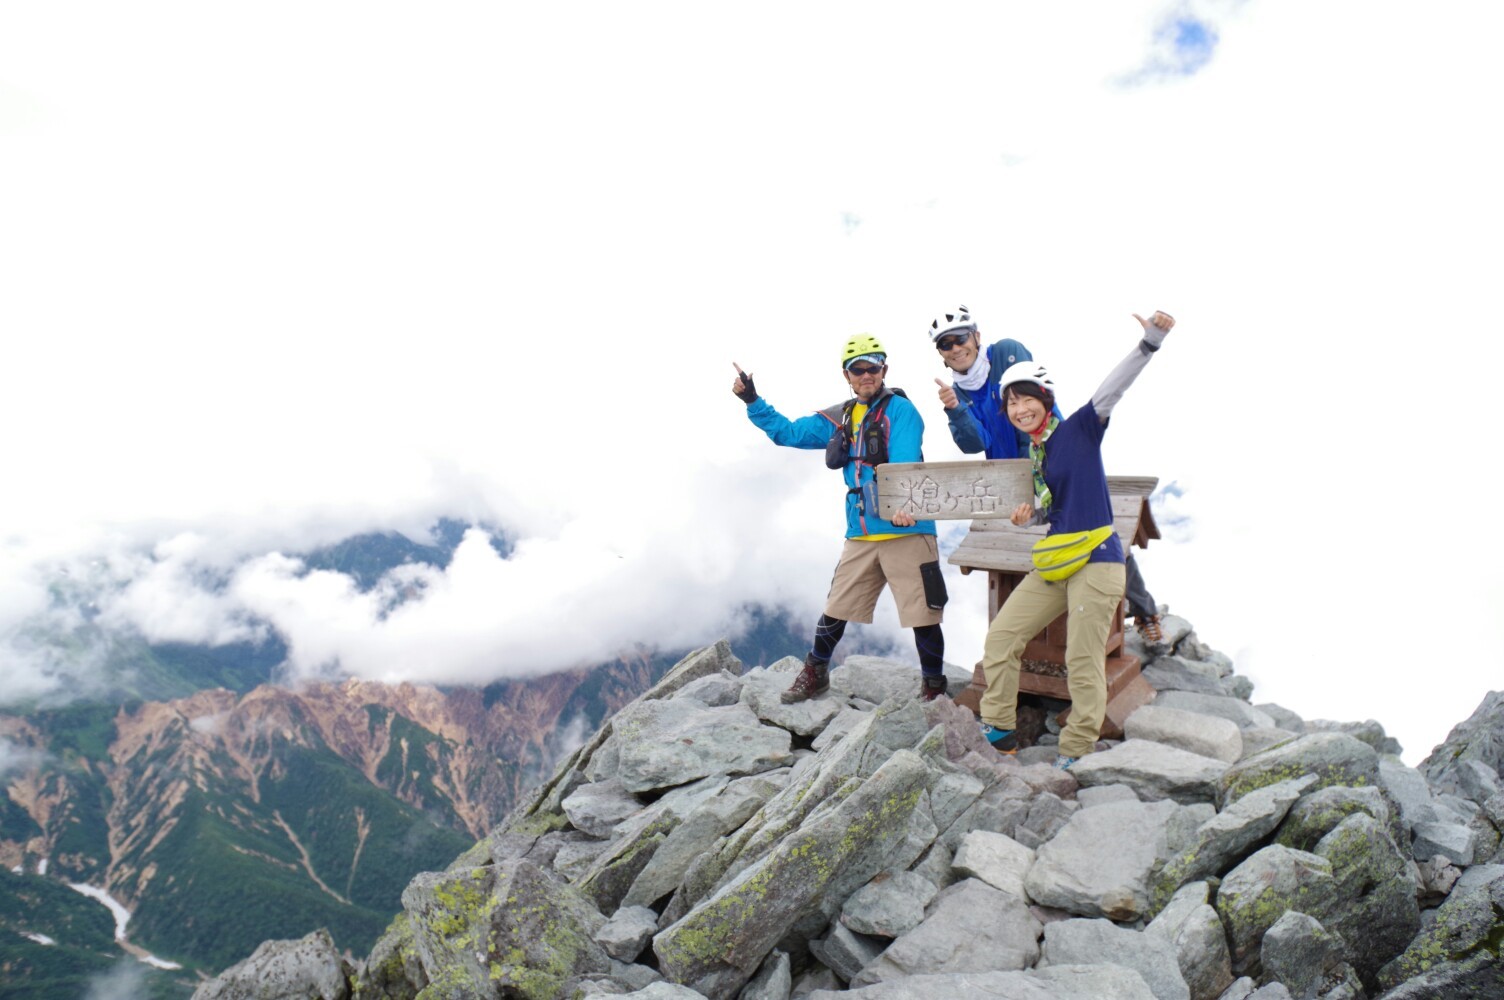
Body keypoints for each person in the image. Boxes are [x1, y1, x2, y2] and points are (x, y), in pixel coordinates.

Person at [976, 310, 1177, 769]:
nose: (1020, 410)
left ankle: (1077, 748)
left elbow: (1113, 389)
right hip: (1057, 560)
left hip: (1098, 560)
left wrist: (1149, 343)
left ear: (1045, 400)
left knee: (1082, 658)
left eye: (1027, 399)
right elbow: (1059, 508)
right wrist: (1030, 517)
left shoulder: (1079, 429)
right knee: (1002, 637)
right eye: (1012, 404)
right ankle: (1000, 731)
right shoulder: (1038, 453)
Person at [731, 335, 950, 703]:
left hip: (908, 528)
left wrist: (902, 503)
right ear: (846, 375)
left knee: (923, 615)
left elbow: (904, 462)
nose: (866, 375)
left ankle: (933, 688)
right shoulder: (841, 417)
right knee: (836, 609)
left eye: (872, 367)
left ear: (884, 370)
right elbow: (789, 433)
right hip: (861, 532)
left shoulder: (901, 411)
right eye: (857, 369)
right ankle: (815, 672)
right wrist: (753, 401)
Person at [930, 305, 1166, 643]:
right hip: (1011, 476)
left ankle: (1144, 611)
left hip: (1053, 455)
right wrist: (955, 409)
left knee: (1098, 531)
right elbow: (975, 443)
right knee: (1033, 542)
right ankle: (1042, 630)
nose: (955, 348)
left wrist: (1039, 463)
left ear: (976, 336)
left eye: (960, 338)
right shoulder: (957, 392)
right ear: (940, 353)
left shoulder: (1007, 352)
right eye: (945, 344)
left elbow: (1029, 398)